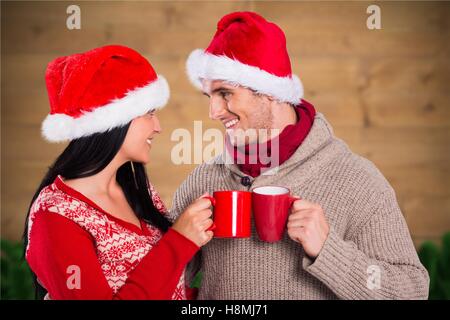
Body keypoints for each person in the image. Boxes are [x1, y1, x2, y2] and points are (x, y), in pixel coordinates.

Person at [169, 12, 430, 299]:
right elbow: (155, 286)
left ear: (270, 92)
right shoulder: (203, 180)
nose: (214, 112)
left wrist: (329, 251)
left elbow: (411, 292)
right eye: (210, 97)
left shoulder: (356, 179)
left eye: (225, 93)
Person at [23, 45, 214, 300]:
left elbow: (164, 288)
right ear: (115, 121)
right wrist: (179, 241)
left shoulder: (136, 189)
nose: (157, 127)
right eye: (149, 113)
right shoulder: (55, 216)